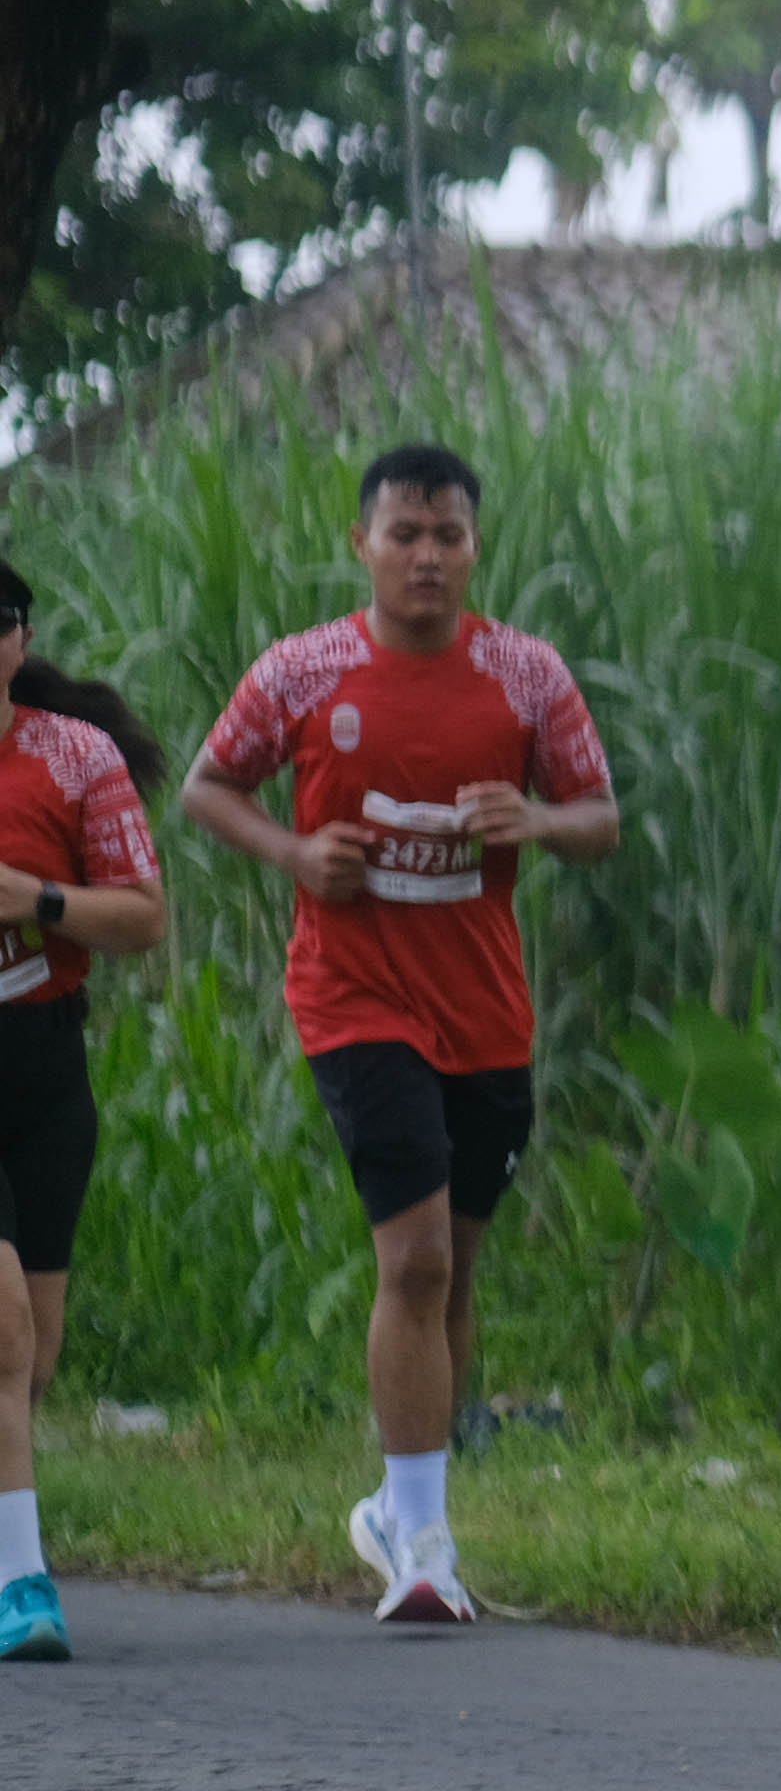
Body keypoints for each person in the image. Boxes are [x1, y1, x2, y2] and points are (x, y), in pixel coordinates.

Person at [181, 443, 619, 1627]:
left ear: (475, 547)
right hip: (355, 998)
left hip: (485, 1012)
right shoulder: (303, 669)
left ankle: (402, 1503)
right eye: (405, 535)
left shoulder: (526, 674)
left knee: (453, 1270)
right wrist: (294, 852)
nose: (427, 556)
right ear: (362, 544)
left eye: (448, 536)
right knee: (415, 1258)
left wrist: (534, 818)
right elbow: (208, 787)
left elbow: (600, 817)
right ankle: (423, 1544)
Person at [0, 567, 173, 1662]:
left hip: (43, 1070)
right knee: (1, 1328)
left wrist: (40, 901)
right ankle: (22, 1581)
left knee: (37, 1351)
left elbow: (145, 919)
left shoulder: (75, 758)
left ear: (18, 642)